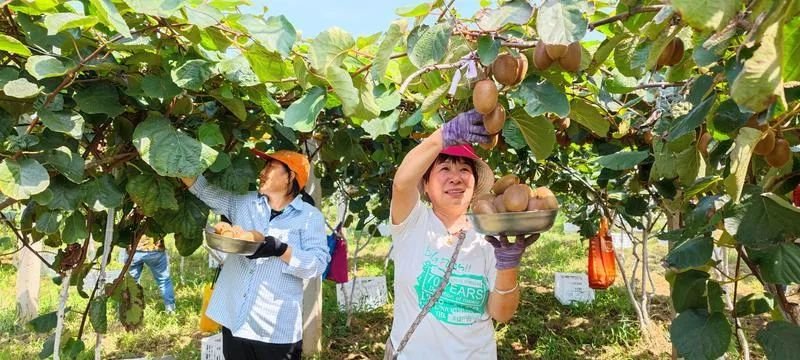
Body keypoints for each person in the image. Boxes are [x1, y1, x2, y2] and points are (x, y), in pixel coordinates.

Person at [386, 109, 539, 359]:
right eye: (444, 169)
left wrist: (509, 265)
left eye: (465, 171)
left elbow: (502, 314)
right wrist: (443, 136)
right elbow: (401, 184)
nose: (456, 178)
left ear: (474, 183)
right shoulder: (413, 223)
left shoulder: (490, 235)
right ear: (425, 184)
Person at [181, 149, 329, 360]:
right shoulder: (244, 202)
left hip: (275, 329)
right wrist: (171, 159)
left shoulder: (309, 217)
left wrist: (281, 250)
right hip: (235, 320)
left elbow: (318, 264)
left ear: (290, 177)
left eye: (271, 167)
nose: (262, 171)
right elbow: (203, 190)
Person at [119, 233, 176, 313]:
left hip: (134, 250)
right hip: (155, 249)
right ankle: (170, 311)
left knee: (130, 282)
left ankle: (125, 312)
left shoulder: (132, 219)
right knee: (164, 281)